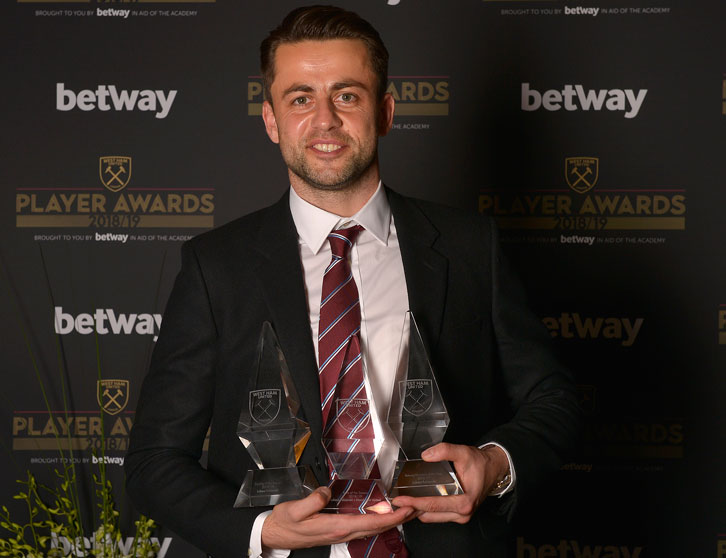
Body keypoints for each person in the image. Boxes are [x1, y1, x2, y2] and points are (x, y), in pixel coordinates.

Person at [125, 5, 581, 558]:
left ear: (384, 111)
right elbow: (154, 461)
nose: (324, 120)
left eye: (347, 95)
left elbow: (553, 400)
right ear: (271, 120)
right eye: (300, 98)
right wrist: (263, 532)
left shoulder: (469, 247)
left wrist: (494, 463)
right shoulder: (215, 266)